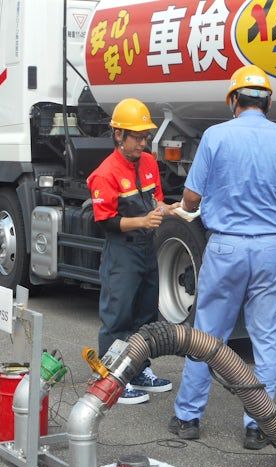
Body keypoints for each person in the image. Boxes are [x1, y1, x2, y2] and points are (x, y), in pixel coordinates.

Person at [168, 65, 276, 448]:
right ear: (268, 101)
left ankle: (188, 418)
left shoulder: (216, 136)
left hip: (226, 246)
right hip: (272, 248)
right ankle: (259, 424)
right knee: (266, 340)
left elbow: (191, 199)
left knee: (206, 336)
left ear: (233, 100)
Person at [87, 98, 178, 404]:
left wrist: (172, 209)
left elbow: (155, 202)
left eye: (145, 136)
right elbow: (106, 222)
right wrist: (142, 220)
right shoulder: (105, 173)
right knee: (118, 317)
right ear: (118, 136)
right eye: (137, 137)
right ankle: (112, 378)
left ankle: (139, 370)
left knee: (146, 314)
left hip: (146, 249)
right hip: (122, 252)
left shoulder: (149, 162)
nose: (143, 142)